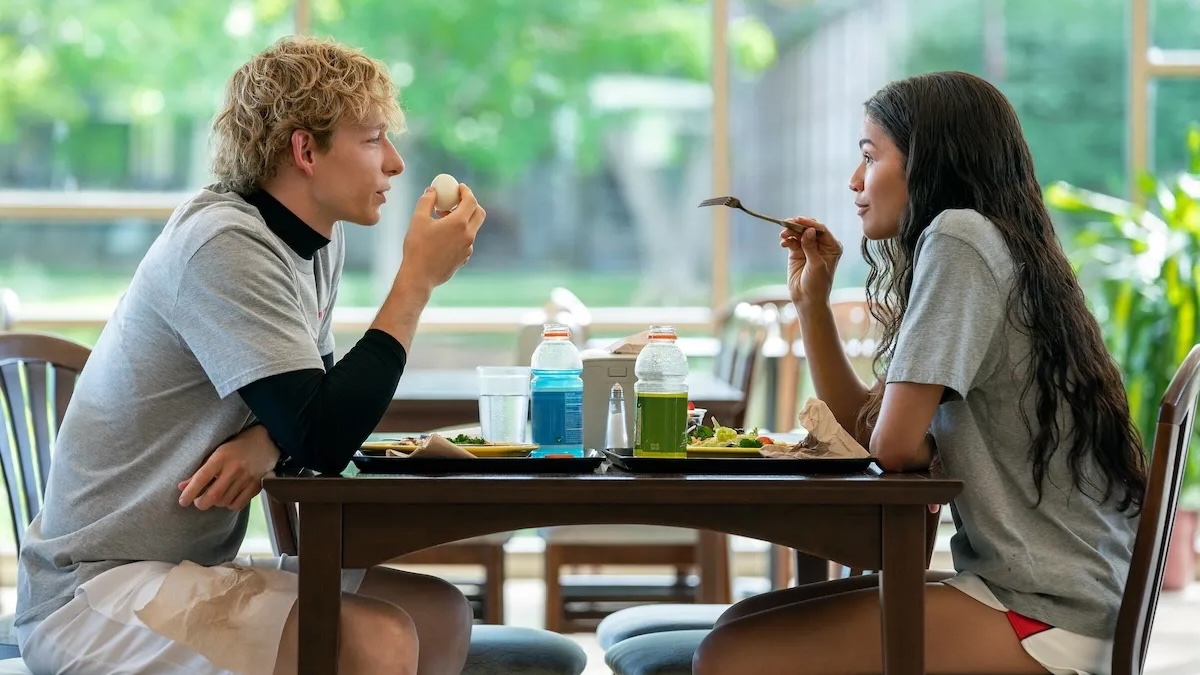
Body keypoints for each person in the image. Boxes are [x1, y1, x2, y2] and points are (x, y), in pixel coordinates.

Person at [15, 36, 486, 675]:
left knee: (440, 613)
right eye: (374, 139)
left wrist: (267, 440)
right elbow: (323, 435)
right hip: (96, 592)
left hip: (187, 568)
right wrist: (416, 282)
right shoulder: (223, 244)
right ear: (305, 151)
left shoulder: (315, 243)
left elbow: (311, 404)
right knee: (377, 640)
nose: (396, 163)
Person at [693, 71, 1147, 675]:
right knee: (735, 625)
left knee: (728, 655)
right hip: (1055, 591)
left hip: (1050, 609)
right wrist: (812, 304)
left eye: (869, 156)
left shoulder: (959, 238)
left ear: (928, 160)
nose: (854, 181)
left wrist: (899, 438)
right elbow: (869, 434)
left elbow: (894, 446)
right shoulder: (987, 240)